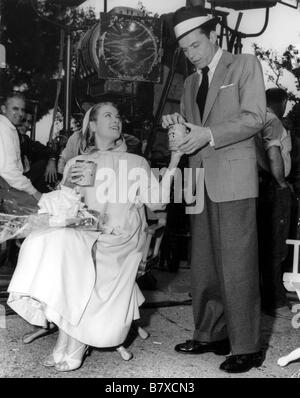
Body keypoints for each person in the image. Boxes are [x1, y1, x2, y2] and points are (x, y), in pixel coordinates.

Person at [7, 102, 182, 372]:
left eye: (118, 116)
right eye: (108, 116)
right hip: (87, 233)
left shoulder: (137, 162)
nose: (116, 120)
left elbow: (157, 203)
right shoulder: (78, 162)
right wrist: (67, 189)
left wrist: (175, 159)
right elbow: (67, 204)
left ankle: (72, 341)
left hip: (120, 238)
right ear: (92, 125)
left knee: (73, 251)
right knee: (44, 241)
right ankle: (69, 337)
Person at [162, 6, 266, 373]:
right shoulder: (191, 83)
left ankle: (247, 345)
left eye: (195, 45)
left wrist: (208, 134)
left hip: (234, 178)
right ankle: (210, 334)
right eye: (186, 49)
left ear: (213, 36)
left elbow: (254, 118)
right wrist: (179, 124)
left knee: (237, 263)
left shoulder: (245, 65)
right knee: (204, 263)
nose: (191, 54)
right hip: (198, 179)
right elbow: (194, 128)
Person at [256, 88, 293, 319]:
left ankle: (266, 297)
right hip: (273, 187)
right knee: (276, 244)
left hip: (261, 184)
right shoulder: (273, 120)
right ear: (281, 102)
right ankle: (274, 300)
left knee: (264, 241)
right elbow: (272, 154)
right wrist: (280, 181)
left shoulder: (258, 119)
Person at [0, 92, 42, 205]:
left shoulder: (10, 128)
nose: (20, 113)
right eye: (15, 109)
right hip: (6, 187)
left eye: (22, 110)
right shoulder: (3, 129)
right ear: (3, 109)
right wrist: (34, 192)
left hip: (11, 184)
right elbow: (7, 171)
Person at [18, 111, 58, 193]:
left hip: (26, 180)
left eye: (29, 122)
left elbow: (45, 150)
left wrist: (52, 160)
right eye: (23, 120)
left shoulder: (26, 140)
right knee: (42, 164)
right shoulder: (8, 140)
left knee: (44, 163)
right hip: (12, 183)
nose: (26, 125)